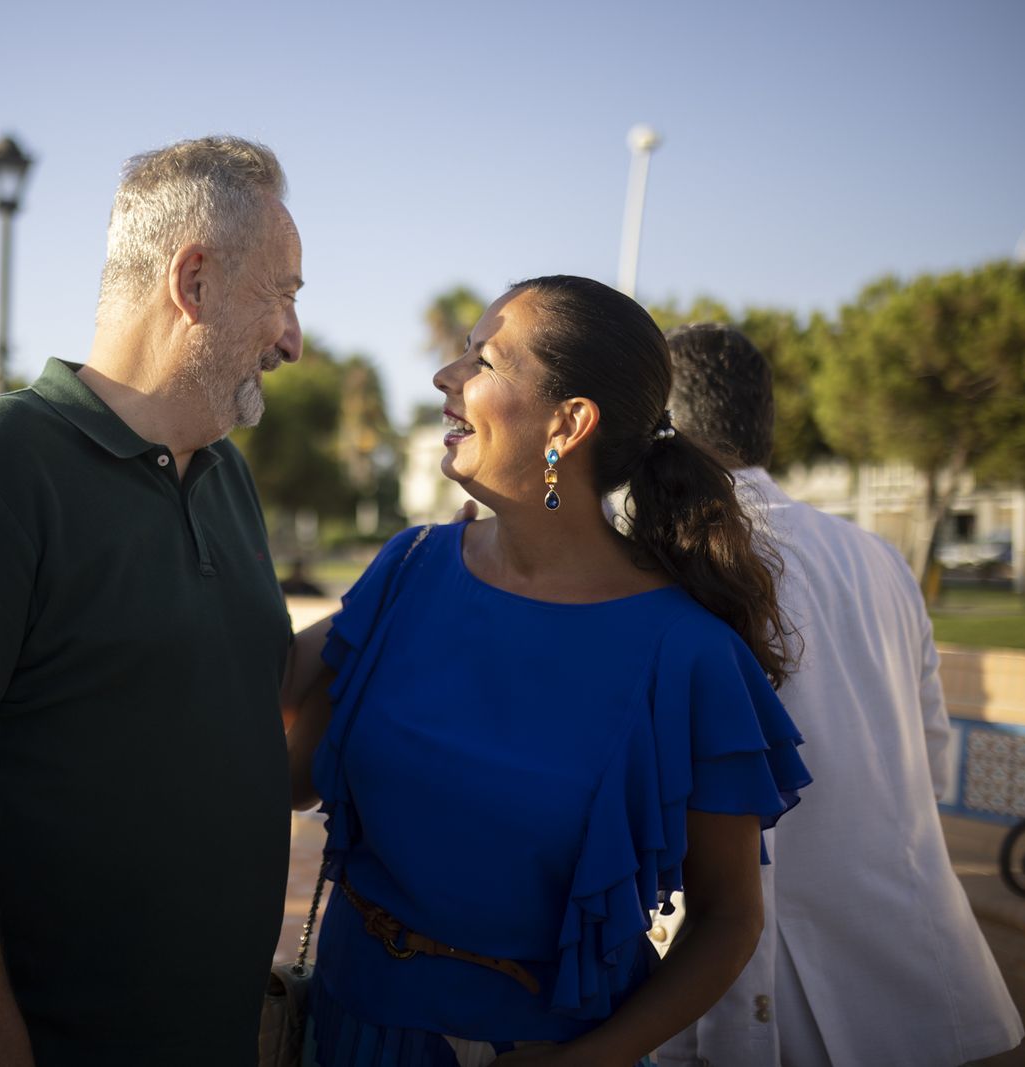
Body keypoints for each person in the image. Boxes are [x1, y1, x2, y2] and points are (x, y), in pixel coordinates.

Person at [283, 276, 812, 1067]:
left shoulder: (688, 654)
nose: (444, 377)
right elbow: (286, 770)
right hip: (348, 1029)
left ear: (569, 422)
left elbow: (730, 919)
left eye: (483, 360)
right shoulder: (409, 569)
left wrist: (585, 1061)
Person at [0, 135, 304, 1066]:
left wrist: (433, 584)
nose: (293, 338)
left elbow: (227, 692)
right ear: (193, 282)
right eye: (283, 292)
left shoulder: (227, 477)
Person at [655, 323, 1022, 1067]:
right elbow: (932, 755)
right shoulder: (880, 558)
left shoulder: (678, 560)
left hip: (773, 985)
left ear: (662, 424)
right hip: (925, 968)